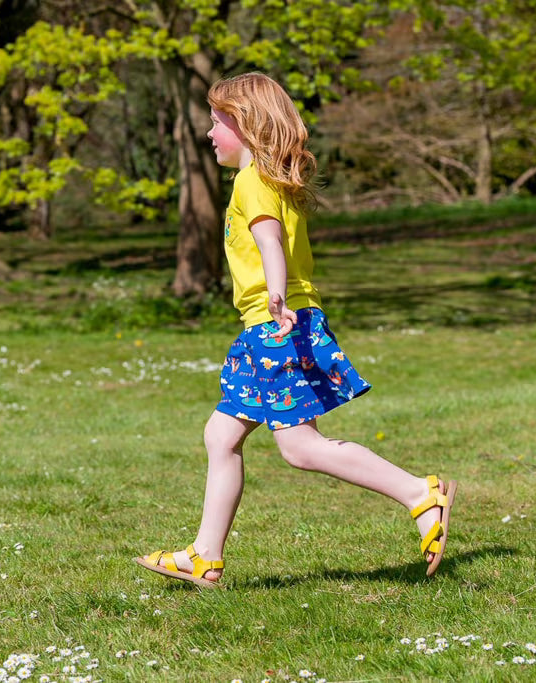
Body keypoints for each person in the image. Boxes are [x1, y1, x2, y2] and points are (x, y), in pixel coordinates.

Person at [135, 72, 458, 588]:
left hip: (275, 324)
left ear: (245, 126)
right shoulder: (268, 178)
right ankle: (203, 556)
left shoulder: (251, 181)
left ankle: (421, 494)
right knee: (221, 434)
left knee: (300, 447)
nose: (210, 133)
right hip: (270, 325)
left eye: (217, 123)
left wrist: (276, 297)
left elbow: (269, 243)